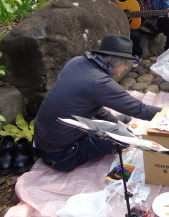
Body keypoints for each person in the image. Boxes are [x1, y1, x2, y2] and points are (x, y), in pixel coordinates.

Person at [34, 34, 162, 172]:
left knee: (110, 123)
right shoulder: (98, 81)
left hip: (41, 139)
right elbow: (139, 108)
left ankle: (113, 124)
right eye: (126, 63)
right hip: (61, 155)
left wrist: (114, 121)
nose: (126, 68)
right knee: (125, 138)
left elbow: (91, 103)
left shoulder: (76, 62)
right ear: (114, 61)